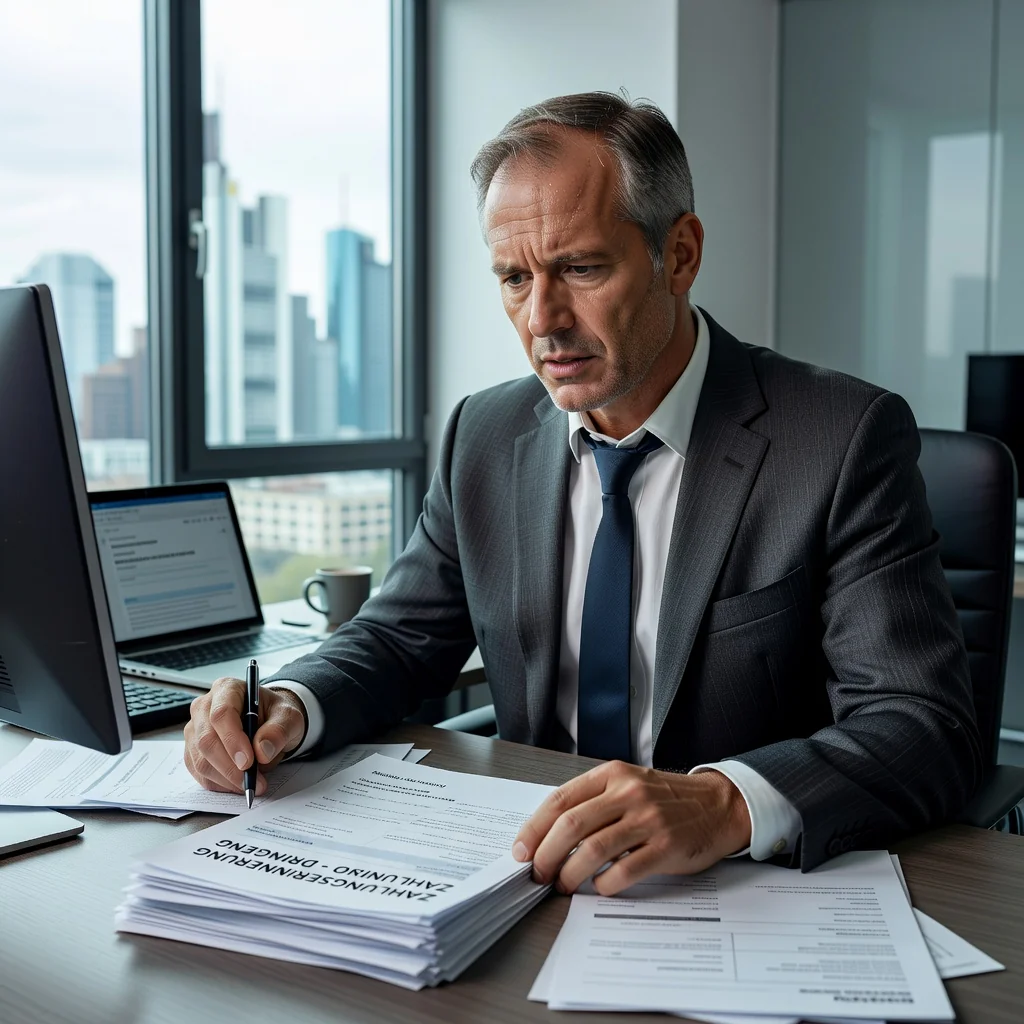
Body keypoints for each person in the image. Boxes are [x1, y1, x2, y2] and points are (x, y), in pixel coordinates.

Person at [183, 91, 982, 895]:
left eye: (581, 268)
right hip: (525, 874)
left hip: (738, 892)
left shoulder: (839, 439)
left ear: (680, 255)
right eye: (514, 277)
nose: (542, 319)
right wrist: (291, 702)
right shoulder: (482, 434)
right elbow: (396, 640)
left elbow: (923, 723)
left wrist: (723, 803)